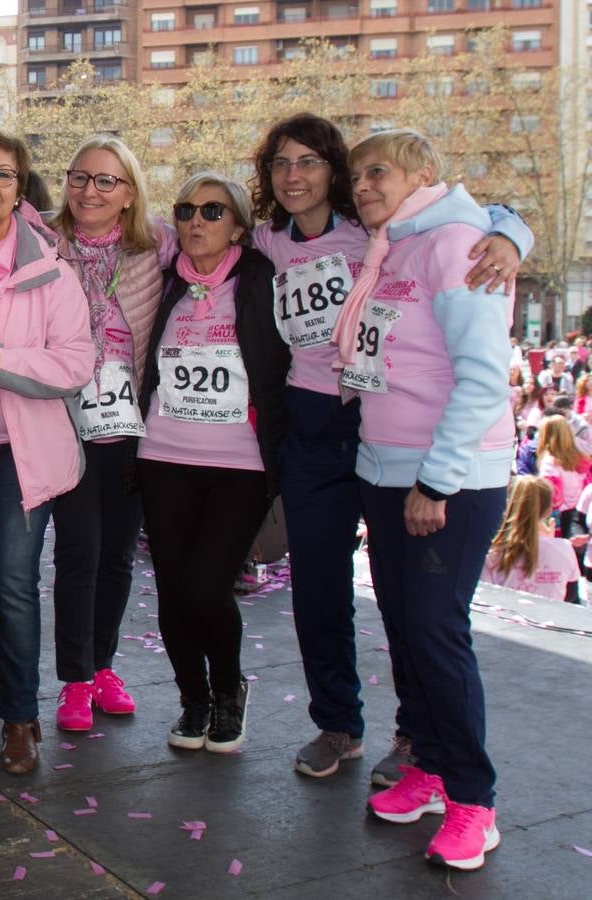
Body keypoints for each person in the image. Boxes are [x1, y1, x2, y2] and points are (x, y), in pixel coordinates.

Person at [247, 112, 528, 782]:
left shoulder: (378, 228)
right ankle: (336, 723)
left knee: (409, 604)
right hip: (315, 423)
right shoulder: (267, 242)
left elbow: (478, 214)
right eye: (280, 163)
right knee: (317, 588)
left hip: (381, 424)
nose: (293, 176)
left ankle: (415, 739)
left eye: (309, 162)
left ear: (333, 172)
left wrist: (512, 234)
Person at [336, 128, 511, 871]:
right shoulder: (395, 247)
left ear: (424, 174)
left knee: (436, 635)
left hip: (447, 480)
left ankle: (473, 800)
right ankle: (432, 768)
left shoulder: (453, 244)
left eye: (379, 172)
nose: (364, 186)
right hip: (384, 471)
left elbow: (480, 377)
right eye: (358, 177)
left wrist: (434, 480)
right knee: (407, 632)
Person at [0, 129, 95, 775]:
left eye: (2, 174)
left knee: (13, 580)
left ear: (20, 186)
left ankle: (21, 717)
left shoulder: (49, 270)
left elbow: (76, 362)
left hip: (18, 451)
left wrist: (1, 362)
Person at [137, 172, 289, 756]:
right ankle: (192, 700)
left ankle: (228, 691)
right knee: (175, 591)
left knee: (206, 587)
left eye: (212, 211)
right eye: (185, 210)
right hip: (164, 456)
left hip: (238, 464)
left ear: (240, 229)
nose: (196, 221)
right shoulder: (164, 274)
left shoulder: (260, 277)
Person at [44, 135, 178, 732]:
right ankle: (74, 678)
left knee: (119, 556)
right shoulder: (43, 242)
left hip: (130, 427)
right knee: (79, 552)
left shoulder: (159, 245)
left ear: (129, 194)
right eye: (79, 178)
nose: (88, 191)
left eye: (105, 181)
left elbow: (237, 240)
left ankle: (102, 666)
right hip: (63, 424)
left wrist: (504, 228)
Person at [481, 476, 582, 602]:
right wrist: (550, 544)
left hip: (504, 619)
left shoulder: (493, 551)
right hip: (550, 619)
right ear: (549, 510)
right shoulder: (564, 548)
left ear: (509, 504)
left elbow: (485, 597)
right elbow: (571, 596)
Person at [536, 415, 588, 542]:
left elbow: (553, 497)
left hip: (560, 517)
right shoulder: (580, 458)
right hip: (581, 512)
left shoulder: (550, 462)